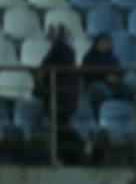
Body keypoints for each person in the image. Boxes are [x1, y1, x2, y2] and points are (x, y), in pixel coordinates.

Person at [36, 25, 80, 165]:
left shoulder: (61, 49)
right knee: (61, 126)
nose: (50, 35)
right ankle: (68, 155)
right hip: (65, 95)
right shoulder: (66, 49)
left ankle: (72, 151)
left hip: (61, 95)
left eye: (52, 32)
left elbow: (50, 70)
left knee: (60, 127)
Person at [80, 33, 125, 109]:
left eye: (106, 42)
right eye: (101, 42)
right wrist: (105, 78)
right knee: (104, 91)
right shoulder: (89, 58)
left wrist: (116, 79)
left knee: (127, 90)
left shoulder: (114, 58)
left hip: (113, 85)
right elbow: (88, 74)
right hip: (94, 85)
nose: (104, 45)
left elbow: (119, 72)